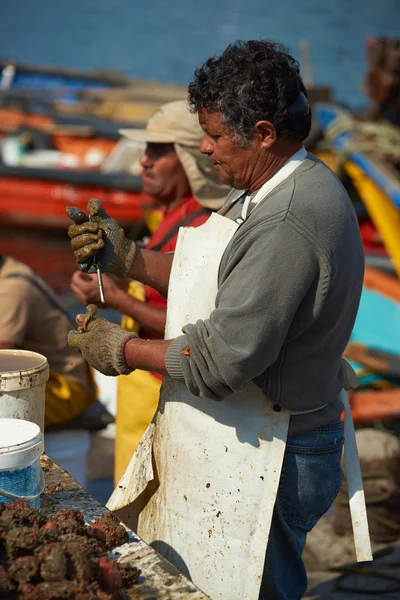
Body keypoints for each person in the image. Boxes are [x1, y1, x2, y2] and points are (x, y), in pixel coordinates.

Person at [66, 40, 365, 600]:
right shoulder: (277, 184)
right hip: (260, 437)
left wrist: (123, 350)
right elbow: (218, 275)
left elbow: (218, 360)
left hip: (278, 453)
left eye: (215, 135)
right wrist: (127, 257)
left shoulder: (289, 218)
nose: (203, 148)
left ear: (264, 133)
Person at [69, 100, 229, 482]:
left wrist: (119, 300)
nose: (144, 161)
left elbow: (192, 327)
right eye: (146, 151)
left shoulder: (199, 228)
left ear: (191, 160)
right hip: (138, 392)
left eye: (159, 152)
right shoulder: (165, 218)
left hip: (161, 394)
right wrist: (110, 283)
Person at [0, 255, 97, 430]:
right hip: (39, 376)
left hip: (65, 387)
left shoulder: (11, 290)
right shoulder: (9, 267)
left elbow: (3, 362)